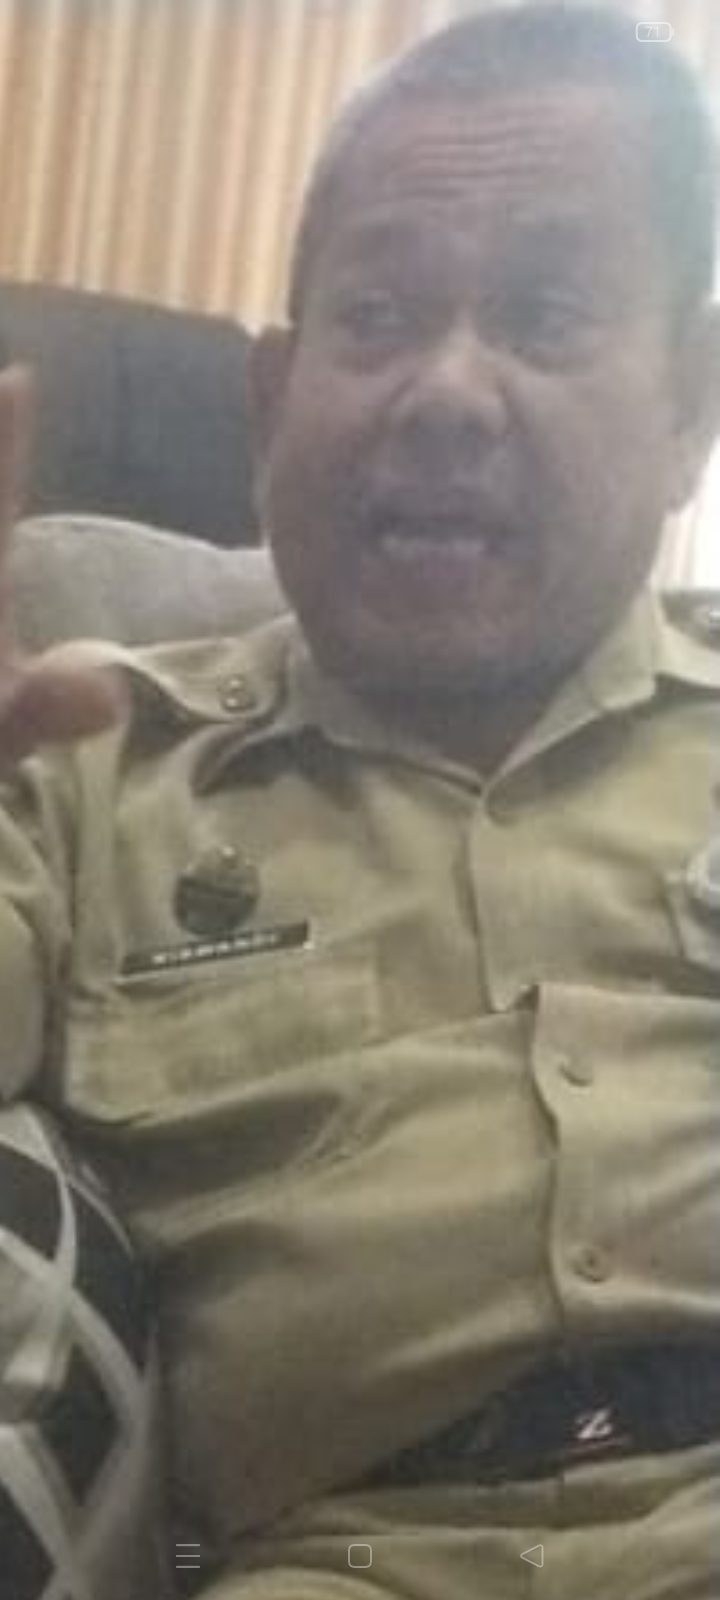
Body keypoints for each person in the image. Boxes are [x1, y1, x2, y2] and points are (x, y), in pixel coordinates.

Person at [1, 3, 720, 1596]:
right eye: (378, 317)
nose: (448, 392)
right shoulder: (89, 765)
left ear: (689, 402)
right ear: (270, 410)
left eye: (543, 315)